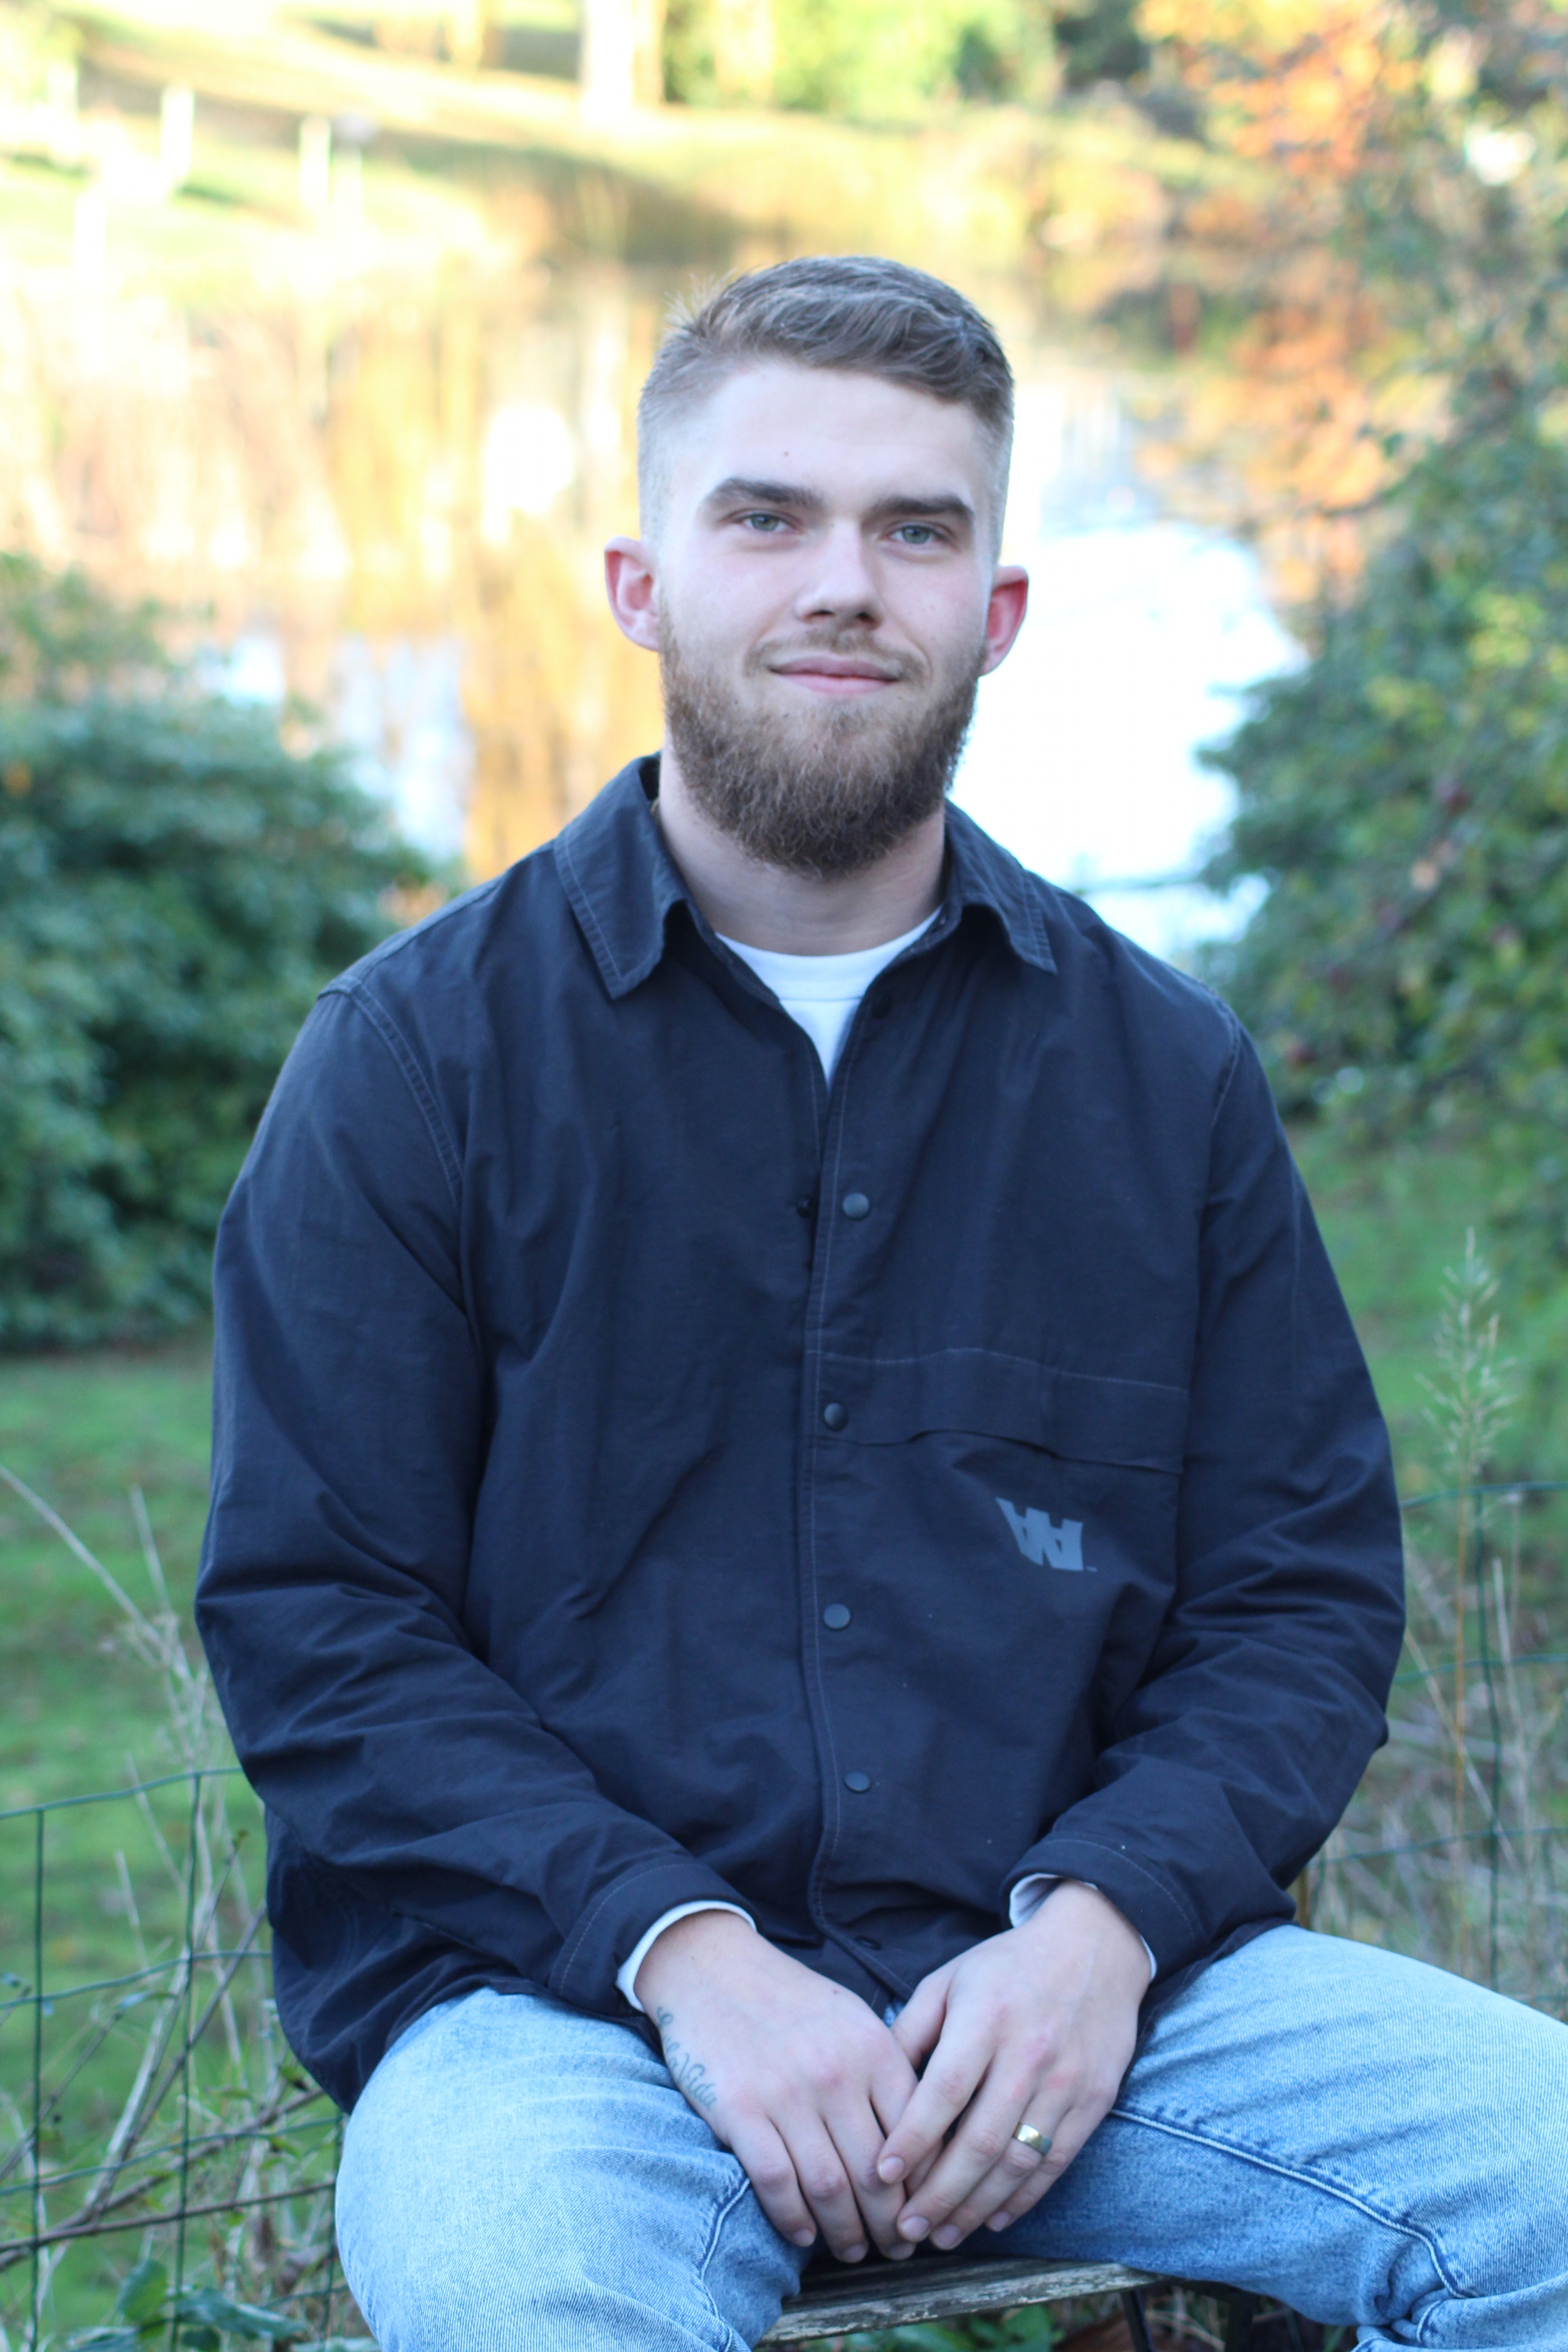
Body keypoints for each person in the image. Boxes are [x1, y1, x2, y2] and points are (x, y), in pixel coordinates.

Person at [196, 257, 1568, 2352]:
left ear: (993, 612)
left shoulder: (1155, 1073)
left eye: (916, 529)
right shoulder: (414, 1063)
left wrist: (1097, 1932)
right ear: (644, 581)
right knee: (533, 2303)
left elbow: (1294, 1594)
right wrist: (685, 1950)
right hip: (568, 2020)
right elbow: (322, 1623)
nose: (845, 583)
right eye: (770, 517)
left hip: (1081, 2007)